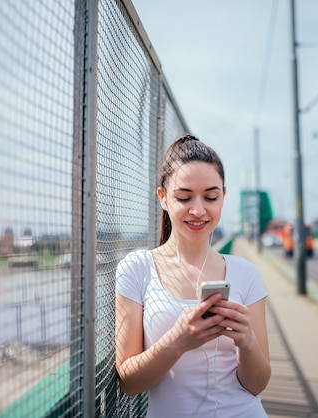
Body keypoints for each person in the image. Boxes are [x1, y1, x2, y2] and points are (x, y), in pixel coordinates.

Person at [115, 134, 271, 417]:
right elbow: (129, 382)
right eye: (184, 197)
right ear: (162, 198)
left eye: (210, 197)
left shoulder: (246, 274)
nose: (198, 210)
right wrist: (177, 340)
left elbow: (257, 385)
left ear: (223, 197)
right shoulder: (137, 268)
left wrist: (246, 341)